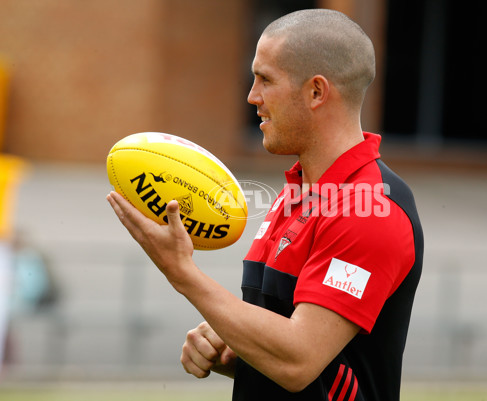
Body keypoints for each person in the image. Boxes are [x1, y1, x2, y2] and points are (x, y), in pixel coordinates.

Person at [107, 8, 423, 401]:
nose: (252, 96)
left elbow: (299, 359)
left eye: (265, 79)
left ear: (316, 92)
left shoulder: (370, 209)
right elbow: (307, 362)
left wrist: (183, 274)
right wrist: (235, 350)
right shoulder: (295, 194)